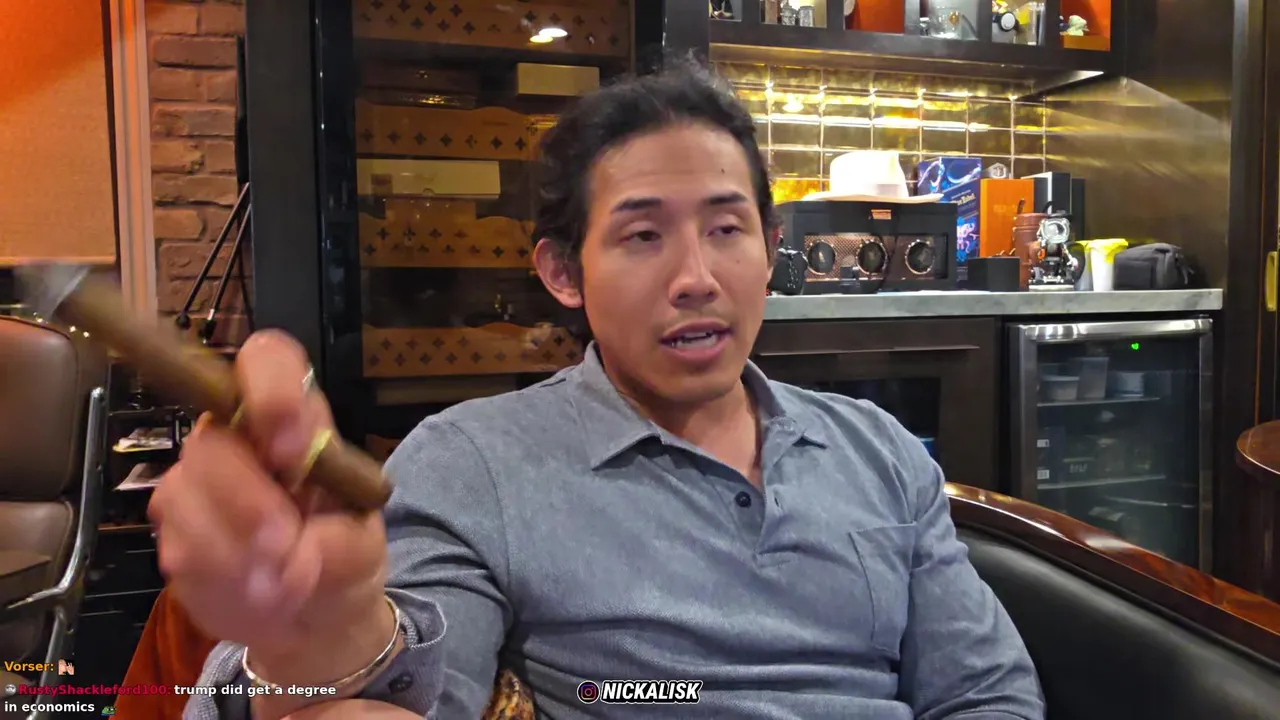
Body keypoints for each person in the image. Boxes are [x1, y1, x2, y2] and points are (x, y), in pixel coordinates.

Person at [157, 60, 1045, 719]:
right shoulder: (475, 462)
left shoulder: (877, 448)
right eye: (642, 236)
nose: (697, 278)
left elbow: (986, 693)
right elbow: (408, 694)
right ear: (562, 273)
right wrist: (315, 644)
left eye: (727, 229)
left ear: (771, 248)